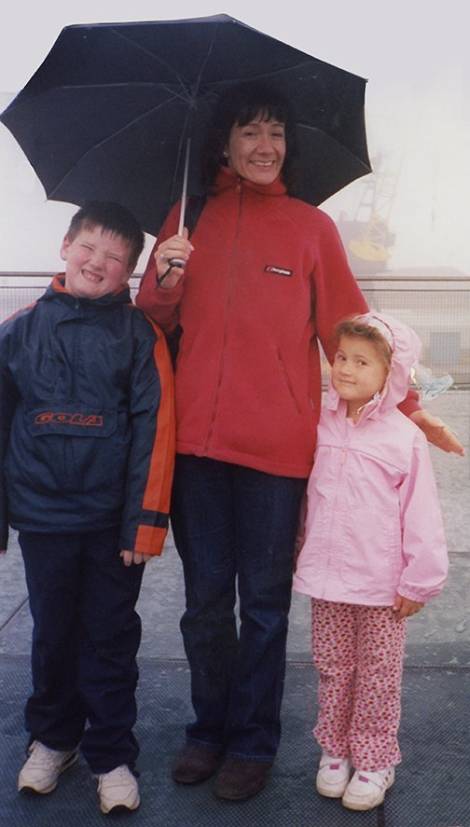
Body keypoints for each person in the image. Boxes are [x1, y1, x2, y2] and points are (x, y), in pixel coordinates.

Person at [136, 82, 461, 802]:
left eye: (276, 132)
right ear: (225, 143)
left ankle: (253, 743)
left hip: (278, 457)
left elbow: (357, 335)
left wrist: (412, 410)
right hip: (196, 453)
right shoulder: (188, 218)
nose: (265, 145)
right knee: (203, 604)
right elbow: (152, 318)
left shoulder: (312, 229)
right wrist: (162, 278)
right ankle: (207, 730)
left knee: (264, 608)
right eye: (250, 131)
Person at [0, 202, 175, 814]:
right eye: (89, 247)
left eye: (115, 257)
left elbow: (155, 433)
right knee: (52, 635)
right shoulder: (18, 330)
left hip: (110, 527)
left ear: (130, 271)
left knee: (109, 639)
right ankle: (53, 740)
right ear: (65, 246)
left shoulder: (140, 335)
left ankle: (111, 754)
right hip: (42, 520)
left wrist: (142, 524)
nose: (97, 263)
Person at [293, 313, 448, 812]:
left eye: (362, 362)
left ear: (391, 373)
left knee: (378, 675)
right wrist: (298, 547)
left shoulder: (403, 438)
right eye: (341, 357)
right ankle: (335, 750)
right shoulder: (319, 422)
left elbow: (421, 514)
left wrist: (419, 581)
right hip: (327, 580)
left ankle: (375, 758)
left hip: (382, 587)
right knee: (333, 668)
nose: (346, 369)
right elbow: (305, 498)